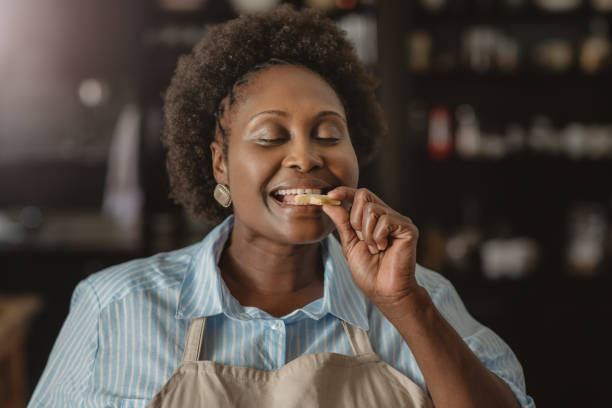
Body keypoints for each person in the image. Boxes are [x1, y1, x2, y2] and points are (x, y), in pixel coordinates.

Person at [29, 5, 534, 408]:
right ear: (220, 164)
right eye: (271, 136)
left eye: (329, 134)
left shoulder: (422, 299)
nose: (305, 155)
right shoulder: (112, 308)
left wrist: (406, 306)